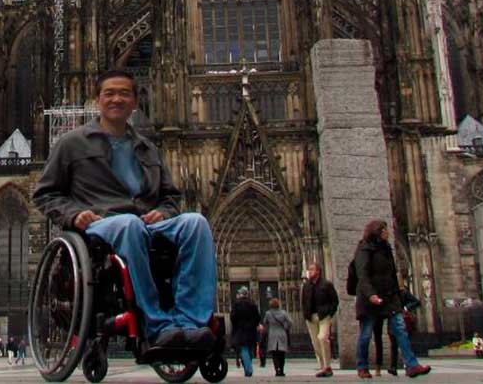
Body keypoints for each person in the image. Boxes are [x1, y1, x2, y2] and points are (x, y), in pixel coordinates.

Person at [33, 69, 218, 350]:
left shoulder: (146, 147)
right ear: (98, 100)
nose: (116, 99)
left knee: (196, 223)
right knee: (129, 224)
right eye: (109, 93)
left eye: (124, 94)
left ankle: (191, 322)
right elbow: (45, 194)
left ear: (135, 101)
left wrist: (165, 213)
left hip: (145, 223)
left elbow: (170, 197)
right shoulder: (72, 143)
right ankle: (157, 325)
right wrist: (73, 215)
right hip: (101, 223)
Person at [354, 220, 431, 379]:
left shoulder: (386, 248)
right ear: (376, 231)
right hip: (370, 299)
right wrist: (371, 295)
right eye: (384, 230)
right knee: (366, 334)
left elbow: (392, 275)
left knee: (400, 329)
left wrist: (399, 299)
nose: (387, 232)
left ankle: (411, 365)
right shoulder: (364, 249)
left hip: (389, 298)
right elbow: (362, 275)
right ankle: (362, 366)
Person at [301, 262, 338, 378]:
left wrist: (329, 313)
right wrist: (305, 314)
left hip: (323, 316)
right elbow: (303, 301)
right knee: (315, 343)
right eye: (308, 270)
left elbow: (335, 301)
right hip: (310, 317)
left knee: (322, 338)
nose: (309, 271)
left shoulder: (326, 284)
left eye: (312, 269)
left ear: (318, 271)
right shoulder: (306, 286)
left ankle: (327, 366)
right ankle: (323, 366)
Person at [230, 288, 261, 377]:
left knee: (244, 349)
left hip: (240, 330)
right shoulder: (252, 304)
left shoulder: (236, 305)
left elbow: (232, 317)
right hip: (251, 330)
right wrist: (254, 324)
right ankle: (248, 367)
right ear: (247, 295)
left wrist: (236, 325)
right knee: (249, 349)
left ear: (240, 295)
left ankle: (248, 369)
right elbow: (258, 317)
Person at [261, 298, 291, 377]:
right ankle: (282, 370)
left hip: (273, 334)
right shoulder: (284, 313)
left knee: (274, 354)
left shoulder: (268, 313)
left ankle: (277, 369)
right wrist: (286, 327)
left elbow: (265, 322)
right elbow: (290, 322)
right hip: (282, 334)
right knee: (282, 353)